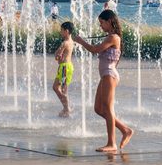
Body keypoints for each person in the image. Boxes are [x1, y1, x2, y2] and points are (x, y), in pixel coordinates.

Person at [71, 10, 133, 153]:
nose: (101, 26)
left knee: (108, 108)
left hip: (109, 75)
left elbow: (94, 50)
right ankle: (125, 130)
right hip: (106, 75)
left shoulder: (114, 38)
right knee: (98, 109)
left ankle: (112, 143)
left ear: (110, 21)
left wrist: (81, 41)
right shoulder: (109, 36)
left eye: (102, 23)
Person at [53, 21, 75, 117]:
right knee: (61, 88)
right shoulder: (71, 41)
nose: (60, 32)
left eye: (61, 30)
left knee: (58, 88)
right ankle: (66, 108)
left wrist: (58, 57)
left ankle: (67, 108)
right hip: (68, 66)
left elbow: (57, 55)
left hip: (64, 68)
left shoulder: (65, 43)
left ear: (66, 31)